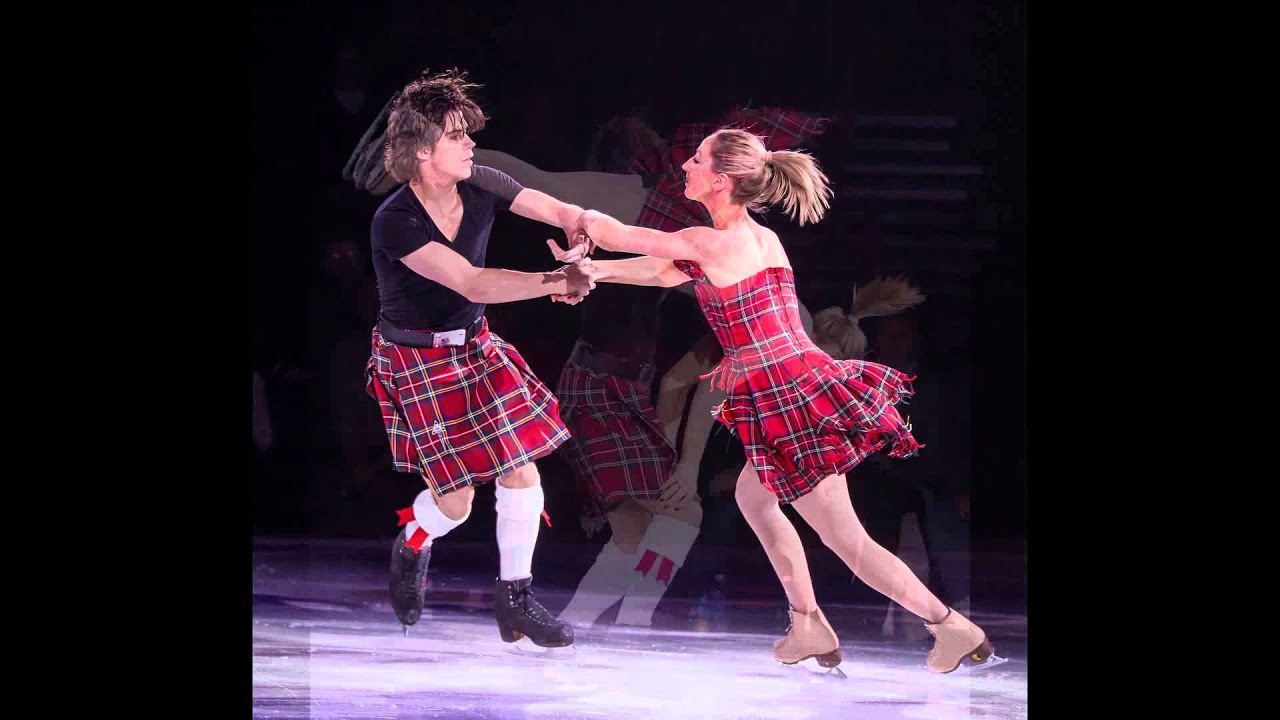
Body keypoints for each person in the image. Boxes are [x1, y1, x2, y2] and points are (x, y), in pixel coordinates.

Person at [552, 127, 998, 673]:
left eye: (694, 161)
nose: (684, 168)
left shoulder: (713, 241)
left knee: (844, 537)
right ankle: (808, 621)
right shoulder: (744, 239)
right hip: (789, 389)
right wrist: (593, 270)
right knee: (756, 499)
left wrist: (565, 216)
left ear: (720, 179)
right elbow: (661, 270)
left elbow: (619, 234)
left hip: (790, 396)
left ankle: (948, 626)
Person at [363, 68, 596, 649]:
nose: (471, 143)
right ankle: (415, 534)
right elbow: (469, 282)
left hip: (476, 347)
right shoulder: (396, 220)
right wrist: (553, 281)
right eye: (457, 135)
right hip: (416, 361)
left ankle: (514, 599)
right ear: (422, 152)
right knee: (458, 503)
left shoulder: (483, 181)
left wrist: (579, 232)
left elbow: (560, 208)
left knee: (521, 465)